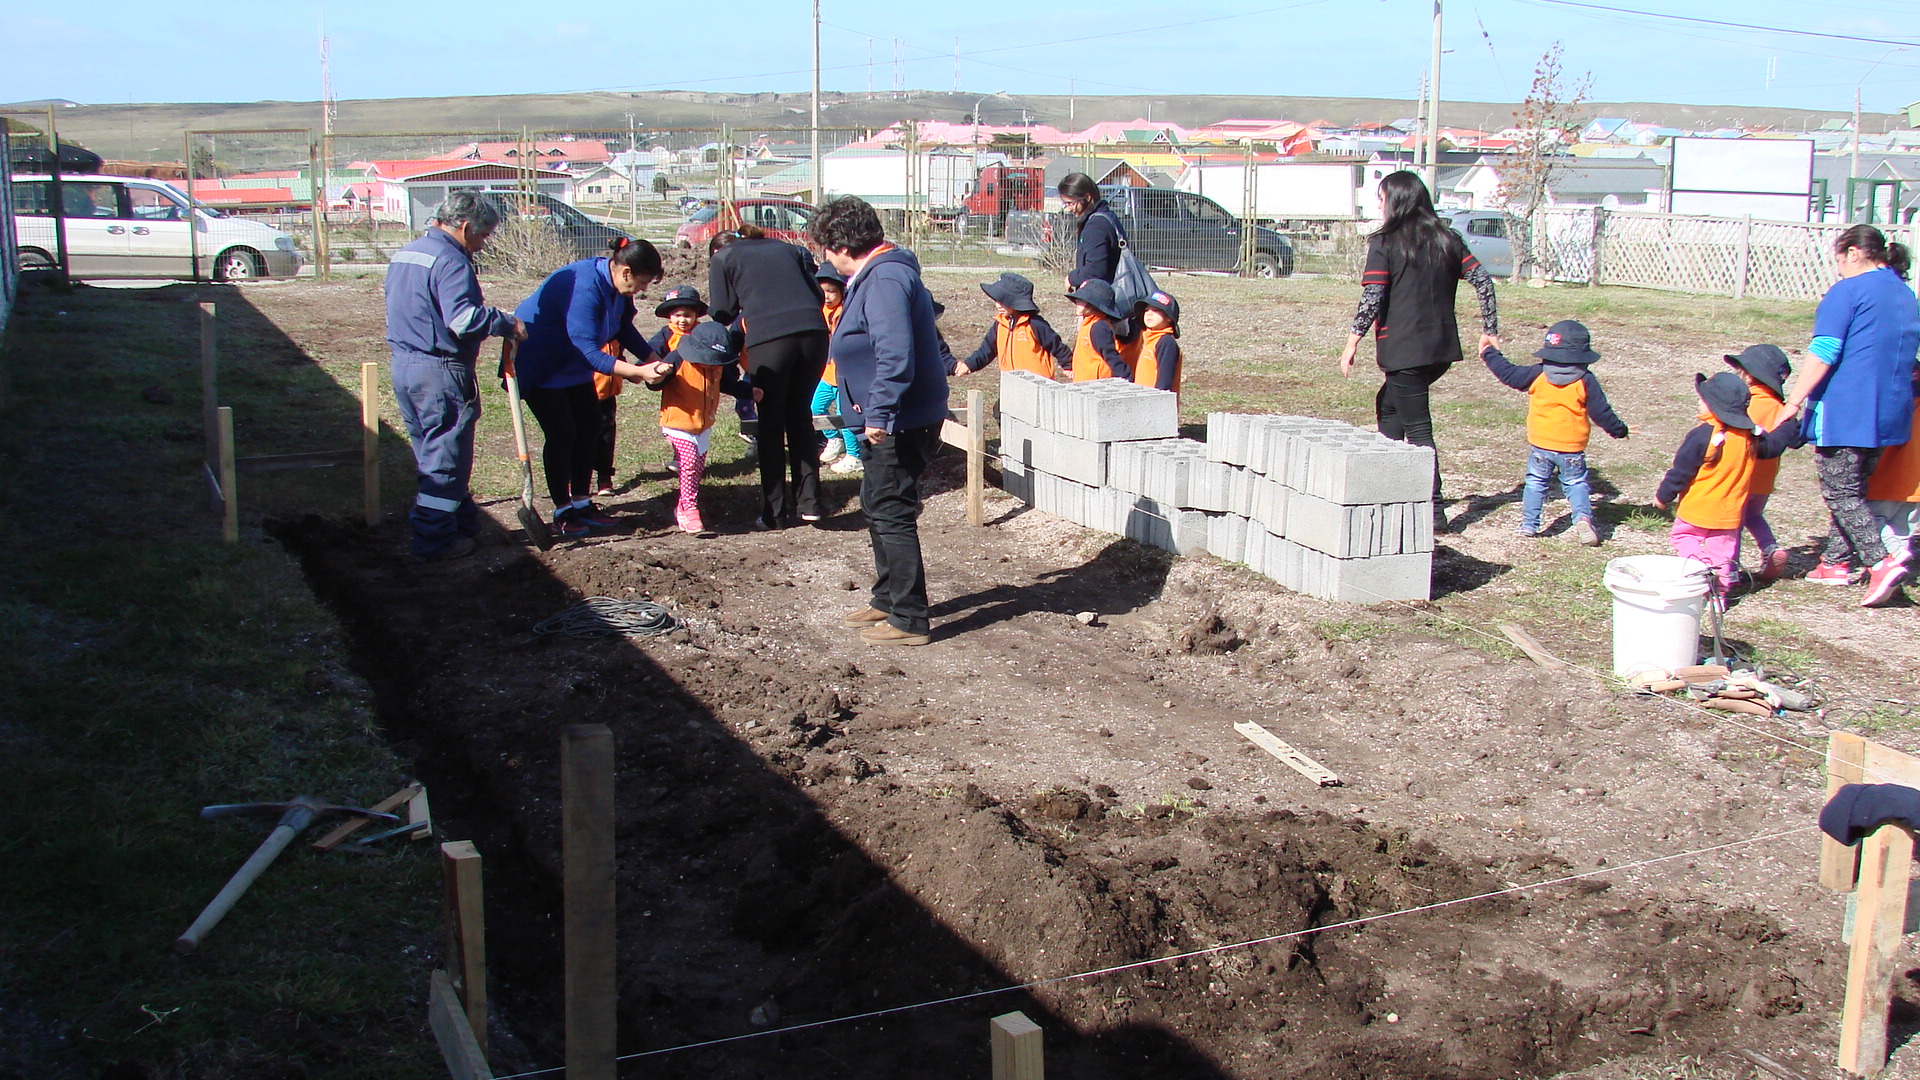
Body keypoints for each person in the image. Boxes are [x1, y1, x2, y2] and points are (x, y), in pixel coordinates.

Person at [810, 196, 949, 646]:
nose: (824, 258)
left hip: (897, 419)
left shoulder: (887, 278)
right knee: (876, 504)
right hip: (886, 416)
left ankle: (909, 619)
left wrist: (880, 412)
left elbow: (895, 352)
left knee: (892, 512)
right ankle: (888, 597)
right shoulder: (878, 274)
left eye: (825, 247)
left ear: (841, 244)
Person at [1337, 170, 1500, 527]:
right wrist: (1489, 329)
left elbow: (1373, 295)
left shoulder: (1386, 242)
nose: (1379, 206)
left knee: (1418, 426)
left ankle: (1434, 508)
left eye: (1381, 199)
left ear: (1395, 201)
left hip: (1404, 347)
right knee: (1389, 407)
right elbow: (1483, 281)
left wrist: (1353, 340)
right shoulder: (1448, 238)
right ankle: (1387, 485)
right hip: (1440, 348)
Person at [1776, 225, 1920, 606]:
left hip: (1848, 407)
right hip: (1891, 409)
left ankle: (1881, 562)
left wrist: (1793, 402)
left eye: (1838, 258)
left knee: (1839, 492)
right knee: (1855, 490)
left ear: (1853, 252)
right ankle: (1835, 563)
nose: (1837, 267)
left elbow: (1825, 350)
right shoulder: (1904, 292)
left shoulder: (1848, 291)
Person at [383, 191, 526, 561]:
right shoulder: (450, 260)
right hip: (439, 371)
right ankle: (434, 544)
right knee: (445, 458)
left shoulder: (407, 253)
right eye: (482, 237)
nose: (482, 245)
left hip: (405, 366)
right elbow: (462, 320)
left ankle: (462, 526)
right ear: (464, 227)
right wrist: (505, 321)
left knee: (432, 451)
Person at [510, 237, 670, 538]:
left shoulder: (619, 288)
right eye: (643, 282)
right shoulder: (585, 286)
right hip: (543, 364)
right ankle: (562, 510)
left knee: (590, 424)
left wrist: (652, 359)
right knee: (562, 433)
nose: (643, 289)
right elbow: (587, 350)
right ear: (625, 272)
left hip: (573, 366)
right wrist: (636, 371)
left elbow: (622, 327)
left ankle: (582, 502)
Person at [709, 223, 831, 528]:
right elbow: (818, 295)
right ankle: (811, 503)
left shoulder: (723, 256)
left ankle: (774, 512)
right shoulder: (792, 249)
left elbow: (722, 311)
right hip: (815, 335)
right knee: (800, 416)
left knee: (771, 423)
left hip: (770, 339)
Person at [1479, 320, 1628, 545]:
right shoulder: (1585, 380)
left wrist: (1489, 352)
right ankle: (1582, 518)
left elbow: (1508, 374)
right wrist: (1619, 430)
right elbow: (1601, 412)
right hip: (1572, 447)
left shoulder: (1537, 373)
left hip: (1541, 444)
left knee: (1536, 483)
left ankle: (1529, 525)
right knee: (1576, 482)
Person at [1655, 372, 1801, 598]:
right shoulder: (1750, 437)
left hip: (1696, 509)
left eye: (1702, 400)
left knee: (1683, 538)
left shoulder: (1701, 435)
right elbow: (1773, 447)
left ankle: (1701, 568)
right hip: (1730, 515)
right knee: (1723, 555)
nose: (1699, 403)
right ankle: (1719, 598)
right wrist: (1789, 424)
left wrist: (1663, 496)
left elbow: (1681, 471)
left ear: (1714, 406)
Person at [645, 321, 757, 536]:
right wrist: (659, 372)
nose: (710, 366)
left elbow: (729, 384)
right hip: (678, 423)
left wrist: (750, 392)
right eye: (706, 362)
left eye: (715, 363)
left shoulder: (717, 366)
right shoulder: (677, 359)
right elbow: (654, 383)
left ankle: (682, 507)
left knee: (696, 469)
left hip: (703, 425)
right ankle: (690, 509)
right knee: (688, 463)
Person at [1723, 344, 1794, 580]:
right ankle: (1770, 548)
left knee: (1733, 523)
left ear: (1750, 375)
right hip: (1764, 480)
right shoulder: (1781, 408)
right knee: (1754, 515)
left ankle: (1729, 570)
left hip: (1740, 477)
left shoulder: (1744, 404)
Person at [953, 272, 1072, 379]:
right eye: (996, 300)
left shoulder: (1035, 324)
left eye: (1003, 301)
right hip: (1011, 384)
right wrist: (969, 365)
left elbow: (1057, 346)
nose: (998, 305)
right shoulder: (1000, 324)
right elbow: (986, 351)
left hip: (1037, 384)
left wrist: (1068, 365)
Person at [1866, 369, 1920, 584]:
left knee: (1872, 521)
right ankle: (1899, 569)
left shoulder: (1895, 402)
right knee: (1902, 528)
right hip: (1915, 484)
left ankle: (1894, 557)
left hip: (1888, 478)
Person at [812, 264, 864, 475]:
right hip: (827, 374)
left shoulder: (846, 312)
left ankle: (854, 455)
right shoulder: (820, 310)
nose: (827, 296)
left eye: (832, 291)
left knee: (846, 417)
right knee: (816, 408)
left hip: (844, 376)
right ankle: (833, 439)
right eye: (823, 291)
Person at [1057, 172, 1124, 292]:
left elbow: (1095, 270)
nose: (1068, 209)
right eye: (1065, 204)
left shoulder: (1096, 225)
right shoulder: (1107, 216)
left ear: (1087, 198)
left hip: (1103, 297)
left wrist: (1072, 278)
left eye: (1070, 203)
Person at [1063, 279, 1130, 382]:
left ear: (1092, 304)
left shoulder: (1099, 327)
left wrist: (1128, 379)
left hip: (1097, 385)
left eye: (1081, 300)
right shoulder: (1087, 323)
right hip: (1084, 383)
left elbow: (1112, 357)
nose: (1076, 302)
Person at [1125, 290, 1183, 393]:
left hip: (1155, 404)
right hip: (1143, 401)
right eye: (1146, 310)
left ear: (1169, 317)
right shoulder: (1148, 338)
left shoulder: (1166, 342)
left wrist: (1156, 404)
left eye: (1156, 310)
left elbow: (1164, 384)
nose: (1149, 314)